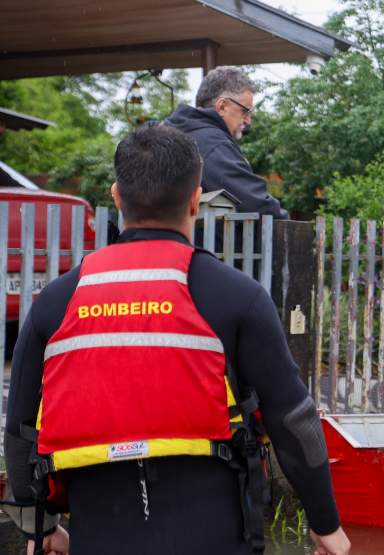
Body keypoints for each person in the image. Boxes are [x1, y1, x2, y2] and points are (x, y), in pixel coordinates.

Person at [2, 125, 349, 555]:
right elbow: (294, 421)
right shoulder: (238, 297)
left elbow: (19, 433)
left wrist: (40, 527)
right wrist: (325, 523)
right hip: (217, 536)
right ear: (194, 200)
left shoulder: (55, 302)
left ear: (115, 195)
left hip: (100, 535)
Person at [165, 66, 288, 219]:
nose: (248, 120)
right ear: (222, 106)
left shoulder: (168, 133)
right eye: (245, 111)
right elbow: (258, 205)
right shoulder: (213, 145)